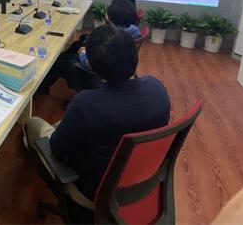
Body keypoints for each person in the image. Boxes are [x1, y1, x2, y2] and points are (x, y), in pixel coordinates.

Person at [24, 25, 170, 202]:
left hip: (92, 193)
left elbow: (56, 149)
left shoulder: (86, 104)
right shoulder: (157, 88)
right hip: (142, 182)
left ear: (91, 64)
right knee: (65, 125)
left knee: (32, 123)